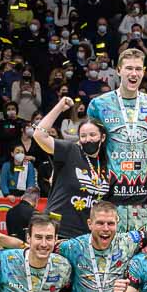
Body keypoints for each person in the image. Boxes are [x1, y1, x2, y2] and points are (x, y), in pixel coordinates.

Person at [86, 48, 147, 232]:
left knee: (145, 251)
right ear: (118, 70)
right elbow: (88, 147)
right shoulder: (99, 105)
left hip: (144, 194)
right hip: (111, 194)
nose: (134, 74)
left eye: (138, 69)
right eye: (129, 68)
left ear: (143, 71)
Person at [32, 96, 111, 241]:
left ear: (103, 137)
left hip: (87, 237)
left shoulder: (106, 163)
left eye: (93, 135)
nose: (88, 139)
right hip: (58, 233)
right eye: (83, 136)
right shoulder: (70, 151)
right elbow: (39, 135)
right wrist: (59, 108)